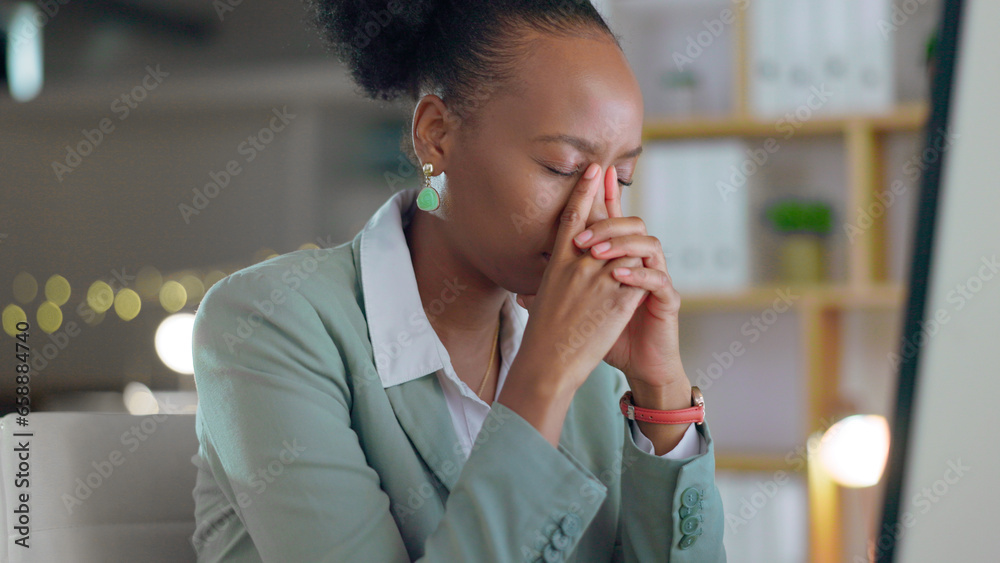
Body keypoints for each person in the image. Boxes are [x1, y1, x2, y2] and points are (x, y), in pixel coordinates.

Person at [189, 1, 727, 561]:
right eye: (564, 169)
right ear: (437, 136)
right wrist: (543, 378)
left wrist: (660, 394)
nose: (596, 216)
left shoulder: (591, 366)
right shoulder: (267, 324)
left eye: (622, 178)